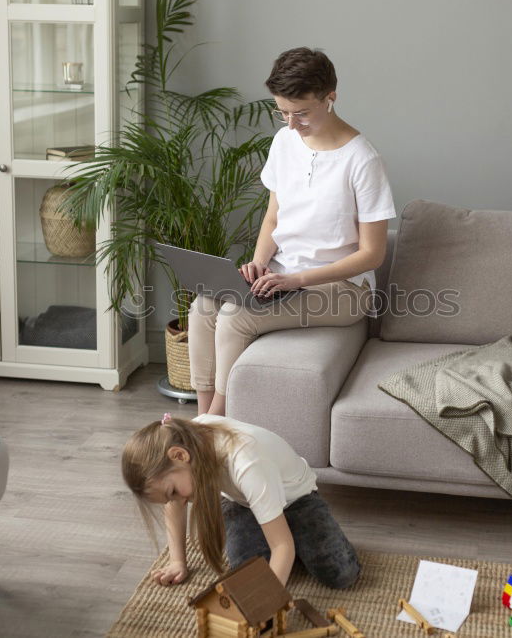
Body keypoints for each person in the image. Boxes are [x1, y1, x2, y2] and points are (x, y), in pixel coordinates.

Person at [188, 47, 396, 416]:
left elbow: (372, 254)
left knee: (237, 316)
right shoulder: (284, 142)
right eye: (282, 111)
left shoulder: (362, 160)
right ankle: (201, 419)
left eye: (301, 113)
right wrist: (258, 262)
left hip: (345, 291)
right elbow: (273, 218)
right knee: (203, 305)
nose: (290, 124)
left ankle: (213, 424)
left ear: (330, 97)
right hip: (282, 274)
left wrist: (298, 280)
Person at [122, 413, 361, 589]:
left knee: (342, 574)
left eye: (173, 491)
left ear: (180, 456)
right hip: (243, 502)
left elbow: (282, 546)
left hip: (297, 500)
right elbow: (173, 504)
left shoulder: (247, 461)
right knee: (249, 575)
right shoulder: (185, 442)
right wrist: (177, 560)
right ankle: (281, 531)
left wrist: (267, 602)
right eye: (169, 496)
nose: (177, 500)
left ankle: (292, 531)